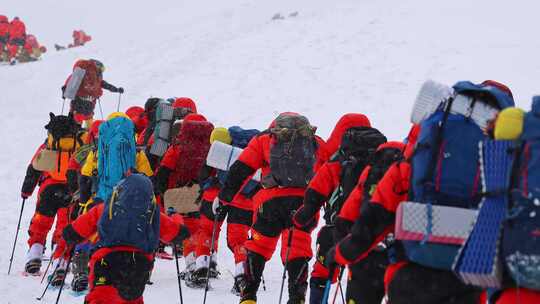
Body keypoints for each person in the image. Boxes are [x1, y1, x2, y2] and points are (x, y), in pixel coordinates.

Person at [326, 80, 515, 304]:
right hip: (468, 284)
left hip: (410, 277)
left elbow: (375, 216)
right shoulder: (505, 163)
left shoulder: (419, 155)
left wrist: (339, 254)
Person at [217, 112, 330, 304]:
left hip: (269, 204)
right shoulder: (315, 142)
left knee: (258, 246)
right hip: (304, 205)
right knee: (298, 248)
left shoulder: (264, 139)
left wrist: (224, 198)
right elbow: (329, 172)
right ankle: (297, 297)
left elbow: (241, 169)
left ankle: (249, 296)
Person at [292, 113, 384, 304]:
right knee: (361, 274)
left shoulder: (337, 159)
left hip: (338, 227)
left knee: (323, 269)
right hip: (371, 230)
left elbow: (316, 189)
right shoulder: (381, 158)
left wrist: (305, 212)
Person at [62, 173, 190, 304]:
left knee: (101, 297)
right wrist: (175, 216)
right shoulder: (151, 214)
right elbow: (178, 233)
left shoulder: (108, 208)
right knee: (132, 299)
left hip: (105, 262)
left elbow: (77, 230)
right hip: (138, 266)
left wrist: (70, 234)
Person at [21, 113, 84, 276]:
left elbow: (34, 168)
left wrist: (26, 191)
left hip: (48, 189)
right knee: (64, 225)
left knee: (41, 222)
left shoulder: (48, 144)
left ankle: (34, 254)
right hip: (71, 190)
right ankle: (60, 259)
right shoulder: (79, 143)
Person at [62, 59, 124, 124]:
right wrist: (116, 89)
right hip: (89, 103)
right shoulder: (96, 78)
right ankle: (88, 131)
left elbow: (72, 79)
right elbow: (107, 85)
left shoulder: (84, 73)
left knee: (77, 120)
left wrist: (65, 89)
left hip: (79, 102)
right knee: (88, 120)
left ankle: (77, 130)